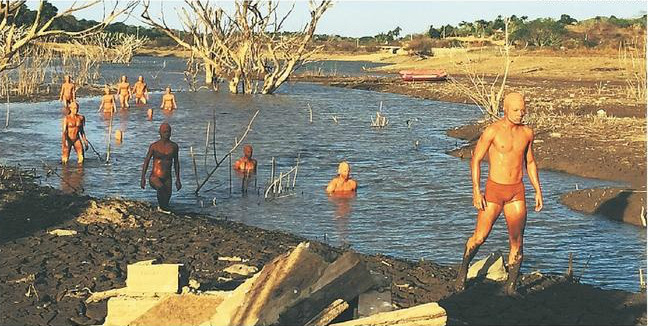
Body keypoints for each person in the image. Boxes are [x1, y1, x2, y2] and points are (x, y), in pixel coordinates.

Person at [454, 92, 543, 297]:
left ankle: (510, 287)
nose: (521, 114)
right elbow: (475, 159)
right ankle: (462, 273)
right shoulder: (492, 131)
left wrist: (537, 189)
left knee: (517, 241)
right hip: (494, 190)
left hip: (516, 191)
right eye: (516, 110)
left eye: (523, 109)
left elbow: (529, 162)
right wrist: (476, 190)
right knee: (480, 237)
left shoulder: (527, 133)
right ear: (505, 109)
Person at [141, 123, 181, 211]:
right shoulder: (154, 146)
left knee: (166, 201)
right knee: (161, 188)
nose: (166, 134)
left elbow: (176, 163)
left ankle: (163, 209)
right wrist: (143, 178)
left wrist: (178, 179)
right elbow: (146, 161)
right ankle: (161, 208)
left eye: (168, 132)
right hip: (155, 177)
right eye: (164, 132)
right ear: (160, 133)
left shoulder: (174, 146)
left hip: (167, 178)